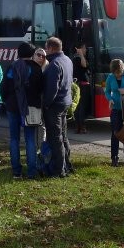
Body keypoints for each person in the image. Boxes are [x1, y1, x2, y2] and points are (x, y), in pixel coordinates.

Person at [5, 42, 41, 179]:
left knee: (14, 139)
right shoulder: (36, 68)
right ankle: (32, 172)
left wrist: (7, 100)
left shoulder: (12, 67)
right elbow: (41, 88)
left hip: (13, 106)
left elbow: (5, 87)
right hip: (30, 107)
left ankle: (16, 171)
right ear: (32, 54)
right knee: (30, 139)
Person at [42, 36, 73, 177]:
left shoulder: (54, 64)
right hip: (65, 102)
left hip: (55, 105)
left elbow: (52, 89)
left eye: (46, 48)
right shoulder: (67, 60)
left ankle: (58, 170)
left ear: (51, 48)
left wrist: (46, 104)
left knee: (56, 138)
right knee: (64, 136)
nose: (45, 51)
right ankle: (68, 165)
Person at [72, 43, 90, 133]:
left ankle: (78, 126)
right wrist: (81, 55)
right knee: (81, 106)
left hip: (79, 84)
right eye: (84, 48)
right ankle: (81, 126)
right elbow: (84, 65)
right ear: (79, 49)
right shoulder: (77, 58)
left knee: (78, 106)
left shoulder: (75, 57)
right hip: (81, 84)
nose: (86, 50)